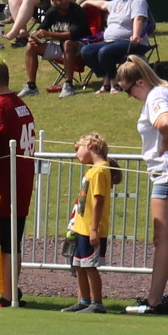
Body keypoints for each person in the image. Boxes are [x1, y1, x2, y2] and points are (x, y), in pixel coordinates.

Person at [122, 56, 168, 315]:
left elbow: (165, 122)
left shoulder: (155, 96)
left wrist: (164, 142)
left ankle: (154, 301)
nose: (129, 95)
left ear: (140, 82)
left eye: (128, 90)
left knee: (162, 240)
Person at [63, 133, 117, 312]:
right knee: (78, 265)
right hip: (81, 227)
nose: (75, 154)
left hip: (91, 229)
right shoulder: (92, 170)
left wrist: (94, 229)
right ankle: (84, 300)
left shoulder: (101, 170)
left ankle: (97, 303)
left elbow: (98, 200)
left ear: (92, 145)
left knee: (90, 266)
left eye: (78, 149)